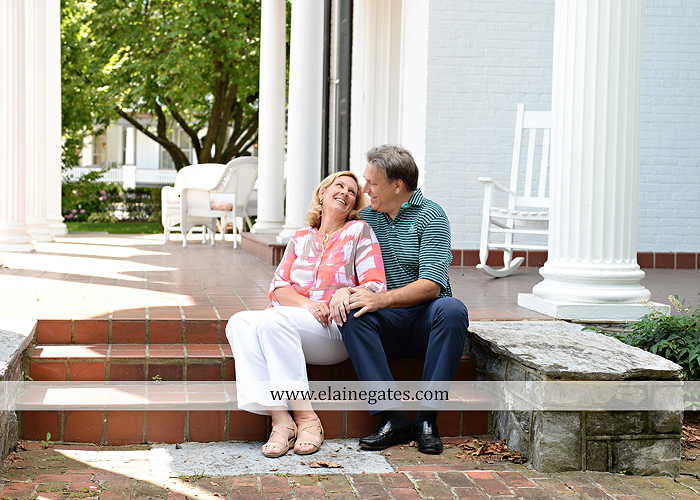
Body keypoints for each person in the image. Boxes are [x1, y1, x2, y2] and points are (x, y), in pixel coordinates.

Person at [225, 171, 386, 458]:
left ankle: (306, 417)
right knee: (239, 323)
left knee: (274, 319)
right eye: (339, 186)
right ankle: (281, 420)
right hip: (293, 321)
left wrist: (345, 292)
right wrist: (307, 305)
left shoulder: (359, 231)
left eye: (352, 192)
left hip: (333, 329)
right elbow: (278, 288)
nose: (346, 192)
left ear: (354, 204)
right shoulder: (300, 237)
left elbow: (375, 284)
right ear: (322, 193)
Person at [340, 144, 469, 455]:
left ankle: (427, 420)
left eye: (372, 183)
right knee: (352, 314)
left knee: (453, 309)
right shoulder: (365, 219)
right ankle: (394, 418)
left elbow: (432, 286)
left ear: (397, 185)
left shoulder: (431, 216)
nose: (365, 189)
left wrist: (380, 300)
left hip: (427, 323)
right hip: (387, 327)